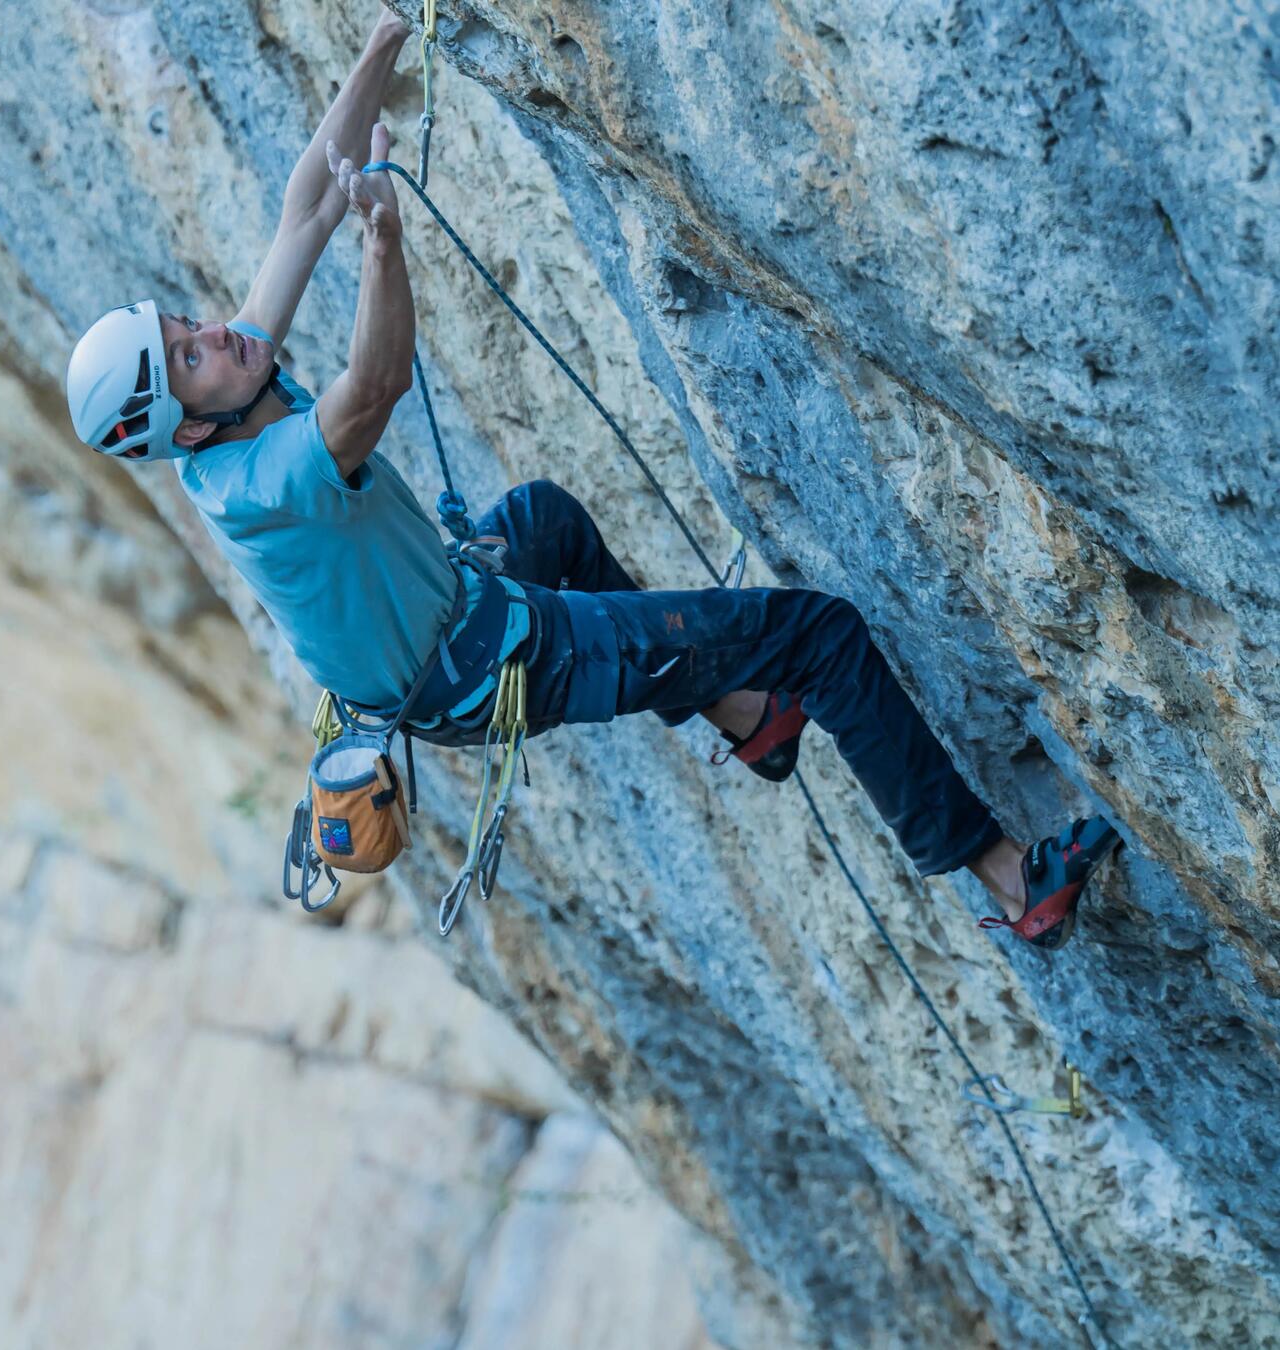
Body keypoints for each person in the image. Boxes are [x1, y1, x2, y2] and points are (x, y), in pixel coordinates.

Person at [62, 9, 1121, 947]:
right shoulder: (261, 482)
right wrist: (385, 243)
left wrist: (386, 38)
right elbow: (374, 386)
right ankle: (1005, 878)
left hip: (465, 610)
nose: (214, 332)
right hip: (498, 665)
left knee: (544, 521)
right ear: (182, 429)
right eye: (189, 352)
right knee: (824, 635)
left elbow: (300, 212)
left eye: (187, 324)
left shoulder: (230, 395)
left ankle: (746, 720)